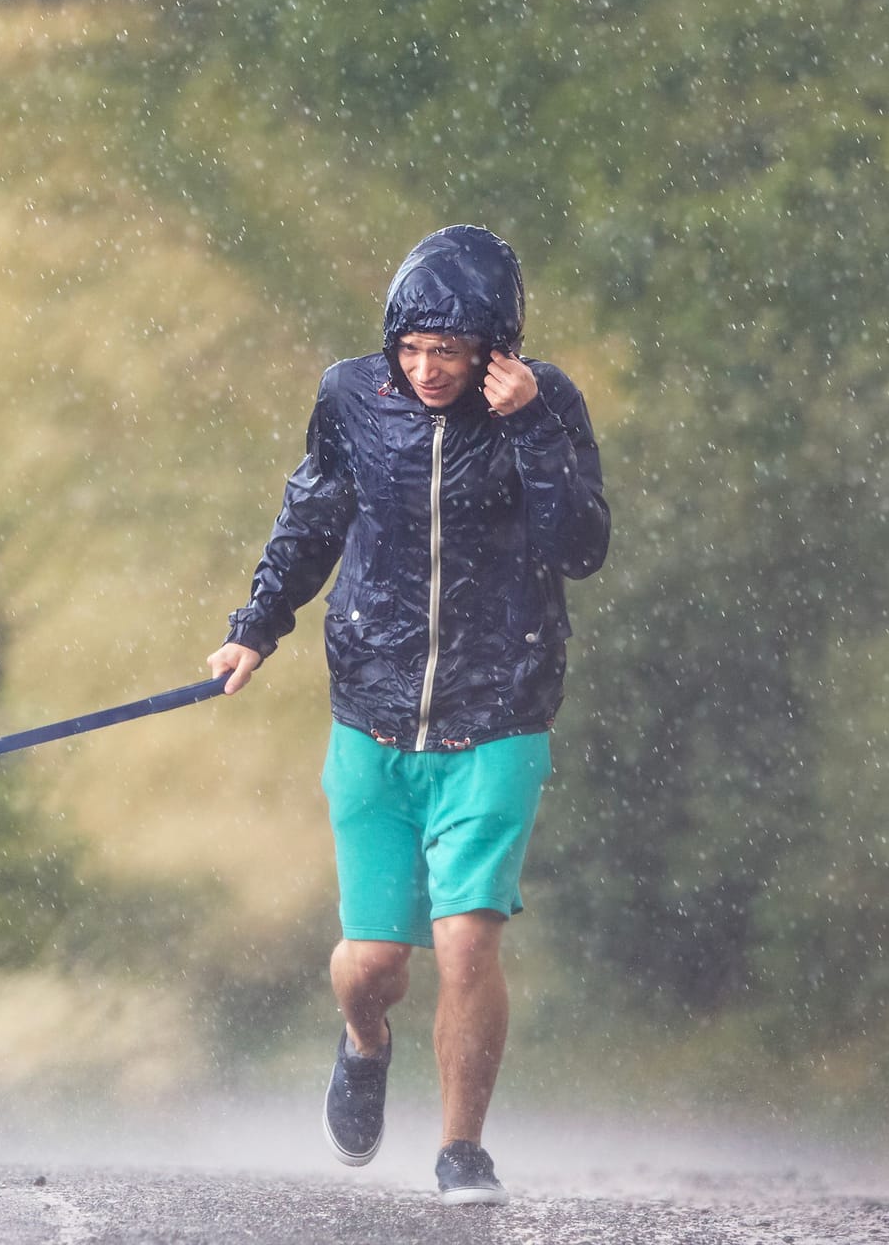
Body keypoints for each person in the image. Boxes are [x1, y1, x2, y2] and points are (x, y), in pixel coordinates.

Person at [207, 224, 609, 1206]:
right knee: (375, 962)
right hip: (375, 711)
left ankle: (462, 1147)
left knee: (469, 937)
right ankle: (364, 1039)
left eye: (451, 352)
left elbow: (583, 544)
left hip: (499, 713)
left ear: (494, 349)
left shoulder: (544, 402)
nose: (429, 369)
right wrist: (255, 627)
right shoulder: (352, 395)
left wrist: (529, 432)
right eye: (414, 349)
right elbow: (313, 513)